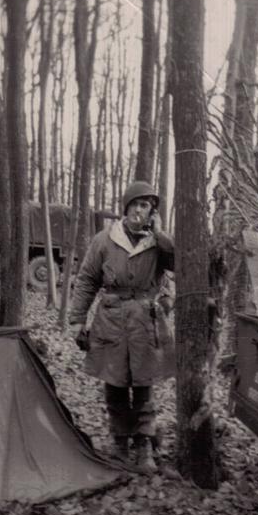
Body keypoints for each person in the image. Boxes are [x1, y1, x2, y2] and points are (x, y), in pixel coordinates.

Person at [69, 181, 175, 473]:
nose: (140, 211)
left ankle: (143, 446)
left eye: (146, 206)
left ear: (152, 212)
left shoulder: (158, 243)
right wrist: (78, 319)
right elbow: (87, 279)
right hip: (111, 320)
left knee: (144, 385)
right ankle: (119, 443)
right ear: (125, 207)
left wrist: (160, 233)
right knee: (114, 383)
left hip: (144, 320)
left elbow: (179, 263)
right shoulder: (104, 239)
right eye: (136, 204)